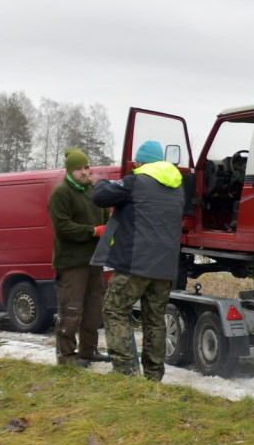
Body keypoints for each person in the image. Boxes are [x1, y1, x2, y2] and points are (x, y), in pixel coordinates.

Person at [91, 140, 184, 381]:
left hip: (135, 264)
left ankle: (126, 373)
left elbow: (100, 195)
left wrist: (103, 180)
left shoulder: (135, 182)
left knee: (114, 309)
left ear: (140, 162)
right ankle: (153, 377)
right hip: (165, 268)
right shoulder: (177, 187)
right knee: (154, 320)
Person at [48, 147, 110, 367]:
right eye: (79, 169)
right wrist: (93, 231)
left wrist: (109, 231)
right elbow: (63, 227)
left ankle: (88, 351)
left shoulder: (93, 191)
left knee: (94, 309)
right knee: (71, 309)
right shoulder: (61, 194)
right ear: (70, 171)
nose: (85, 172)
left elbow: (106, 219)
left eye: (86, 167)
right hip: (72, 263)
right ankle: (66, 356)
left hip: (95, 261)